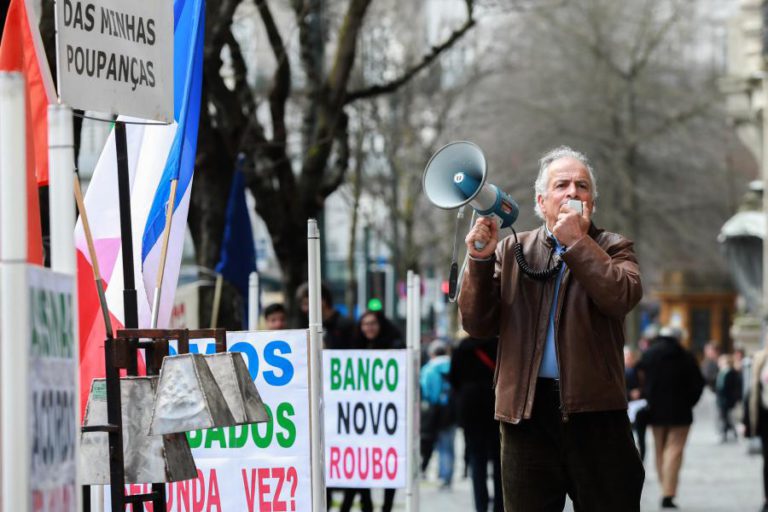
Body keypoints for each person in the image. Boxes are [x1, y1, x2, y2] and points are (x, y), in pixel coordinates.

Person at [459, 146, 644, 511]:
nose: (573, 192)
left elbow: (620, 296)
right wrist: (479, 260)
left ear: (592, 201)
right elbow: (477, 323)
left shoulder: (614, 248)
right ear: (542, 201)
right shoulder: (513, 249)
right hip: (526, 416)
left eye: (582, 186)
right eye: (562, 185)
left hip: (597, 413)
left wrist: (578, 243)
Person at [295, 283, 355, 510]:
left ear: (321, 301)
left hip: (343, 403)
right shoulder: (307, 328)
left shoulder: (345, 325)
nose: (304, 309)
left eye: (306, 303)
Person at [339, 310, 403, 512]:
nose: (369, 328)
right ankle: (366, 504)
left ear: (381, 324)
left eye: (373, 323)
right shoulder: (354, 346)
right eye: (365, 324)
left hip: (385, 418)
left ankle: (386, 506)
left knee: (387, 463)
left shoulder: (394, 346)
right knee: (362, 463)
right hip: (361, 419)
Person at [636, 327, 704, 509]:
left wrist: (646, 395)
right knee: (674, 451)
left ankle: (664, 487)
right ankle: (668, 493)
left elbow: (638, 376)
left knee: (660, 450)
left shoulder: (649, 355)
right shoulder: (686, 356)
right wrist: (690, 401)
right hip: (681, 413)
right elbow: (698, 383)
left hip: (655, 412)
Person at [449, 333, 503, 512]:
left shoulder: (460, 348)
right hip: (494, 405)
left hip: (470, 408)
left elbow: (454, 379)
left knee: (476, 459)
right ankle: (499, 506)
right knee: (498, 460)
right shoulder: (498, 344)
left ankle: (480, 505)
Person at [420, 339, 456, 490]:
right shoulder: (453, 365)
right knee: (448, 446)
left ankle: (427, 471)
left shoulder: (428, 369)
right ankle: (446, 477)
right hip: (451, 412)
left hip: (434, 412)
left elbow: (425, 390)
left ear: (432, 353)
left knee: (432, 444)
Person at [748, 345, 768, 512]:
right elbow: (753, 390)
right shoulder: (760, 358)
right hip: (765, 416)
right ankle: (767, 498)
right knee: (767, 460)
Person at [625, 346, 648, 461]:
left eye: (630, 357)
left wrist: (639, 392)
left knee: (640, 437)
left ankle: (641, 458)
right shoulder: (622, 372)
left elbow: (647, 387)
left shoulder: (640, 372)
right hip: (627, 407)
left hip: (640, 406)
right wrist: (630, 394)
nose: (629, 360)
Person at [716, 353, 741, 443]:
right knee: (724, 417)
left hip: (728, 399)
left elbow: (733, 387)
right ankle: (728, 433)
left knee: (727, 417)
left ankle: (728, 433)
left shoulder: (732, 373)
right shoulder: (721, 372)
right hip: (721, 399)